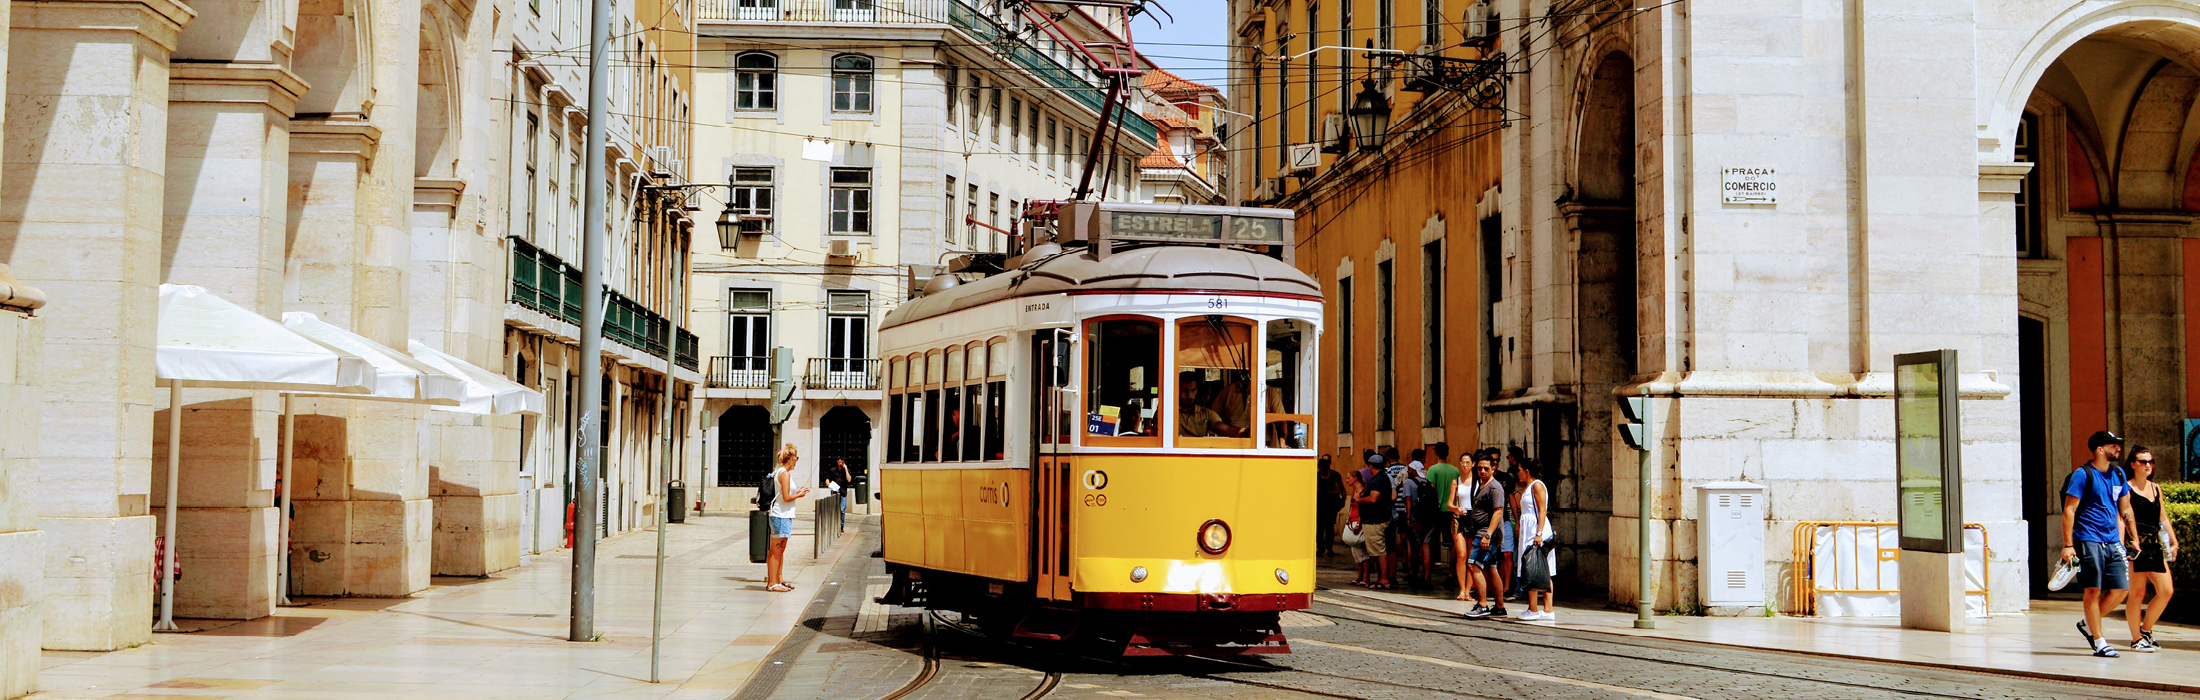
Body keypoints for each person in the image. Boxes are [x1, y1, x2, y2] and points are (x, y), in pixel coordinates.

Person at [2064, 430, 2138, 657]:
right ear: (2099, 449)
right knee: (2093, 590)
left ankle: (2087, 623)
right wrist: (2068, 545)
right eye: (2113, 445)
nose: (2118, 448)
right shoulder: (2082, 474)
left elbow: (2125, 508)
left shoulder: (2118, 474)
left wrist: (2134, 537)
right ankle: (2099, 641)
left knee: (2120, 590)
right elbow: (2069, 510)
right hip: (2088, 539)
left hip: (2113, 540)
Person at [2124, 445, 2177, 652]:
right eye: (2143, 461)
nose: (2148, 465)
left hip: (2154, 543)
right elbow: (2125, 517)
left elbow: (2162, 517)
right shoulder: (2126, 488)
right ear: (2133, 464)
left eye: (2151, 461)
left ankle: (2145, 630)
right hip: (2136, 544)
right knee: (2137, 593)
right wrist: (2130, 542)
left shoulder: (2155, 488)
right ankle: (2136, 639)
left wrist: (2174, 542)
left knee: (2166, 590)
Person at [1461, 456, 1506, 618]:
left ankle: (1482, 605)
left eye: (1486, 468)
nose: (1482, 471)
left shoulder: (1495, 488)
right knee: (1491, 568)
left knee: (1474, 565)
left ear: (1493, 468)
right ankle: (1500, 607)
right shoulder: (1482, 485)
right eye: (1480, 468)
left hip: (1486, 535)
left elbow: (1498, 512)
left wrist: (1487, 535)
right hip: (1482, 533)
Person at [1514, 457, 1556, 621]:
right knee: (1537, 569)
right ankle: (1542, 608)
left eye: (1519, 469)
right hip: (1530, 529)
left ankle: (1538, 609)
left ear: (1527, 471)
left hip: (1536, 530)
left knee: (1535, 568)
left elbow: (1542, 510)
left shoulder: (1537, 486)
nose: (1517, 472)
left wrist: (1538, 533)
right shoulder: (1528, 486)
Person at [766, 445, 812, 593]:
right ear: (790, 458)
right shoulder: (784, 474)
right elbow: (786, 498)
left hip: (782, 514)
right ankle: (772, 583)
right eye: (796, 458)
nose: (796, 461)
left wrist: (796, 492)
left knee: (779, 549)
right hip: (781, 515)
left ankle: (778, 580)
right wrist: (799, 495)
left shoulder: (780, 472)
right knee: (777, 550)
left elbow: (783, 494)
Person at [1356, 453, 1395, 589]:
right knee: (1378, 551)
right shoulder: (1381, 478)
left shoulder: (1378, 480)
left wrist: (1359, 499)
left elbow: (1373, 498)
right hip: (1378, 519)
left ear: (1370, 466)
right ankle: (1380, 579)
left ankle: (1384, 579)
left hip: (1376, 521)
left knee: (1379, 551)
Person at [1177, 371, 1243, 437]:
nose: (1190, 395)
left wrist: (1243, 432)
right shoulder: (1170, 414)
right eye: (1185, 390)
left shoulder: (1206, 414)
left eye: (1193, 390)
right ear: (1177, 390)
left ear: (1197, 390)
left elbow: (1224, 429)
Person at [1317, 455, 1345, 556]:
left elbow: (1338, 490)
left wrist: (1327, 491)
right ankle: (1320, 547)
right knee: (1319, 527)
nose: (1321, 471)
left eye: (1323, 470)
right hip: (1319, 505)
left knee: (1329, 527)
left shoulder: (1334, 475)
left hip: (1331, 505)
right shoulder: (1317, 476)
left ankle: (1329, 547)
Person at [828, 458, 854, 533]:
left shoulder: (846, 471)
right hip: (835, 492)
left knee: (842, 510)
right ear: (837, 461)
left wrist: (845, 469)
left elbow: (849, 480)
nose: (841, 462)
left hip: (843, 492)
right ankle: (834, 525)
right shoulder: (833, 470)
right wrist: (829, 485)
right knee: (834, 509)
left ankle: (841, 526)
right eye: (840, 460)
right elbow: (827, 479)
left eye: (842, 461)